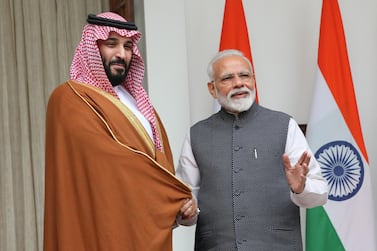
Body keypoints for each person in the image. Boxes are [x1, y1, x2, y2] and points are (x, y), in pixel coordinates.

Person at [43, 12, 198, 251]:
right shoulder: (70, 98)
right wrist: (173, 196)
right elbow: (108, 163)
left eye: (127, 46)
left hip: (143, 230)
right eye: (111, 44)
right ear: (92, 48)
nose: (121, 54)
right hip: (99, 228)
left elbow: (160, 163)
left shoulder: (139, 104)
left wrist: (181, 207)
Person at [176, 49, 328, 250]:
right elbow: (184, 200)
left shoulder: (284, 125)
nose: (238, 83)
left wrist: (300, 187)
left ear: (254, 80)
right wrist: (187, 212)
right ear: (212, 89)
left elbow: (320, 193)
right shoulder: (196, 134)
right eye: (227, 78)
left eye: (244, 75)